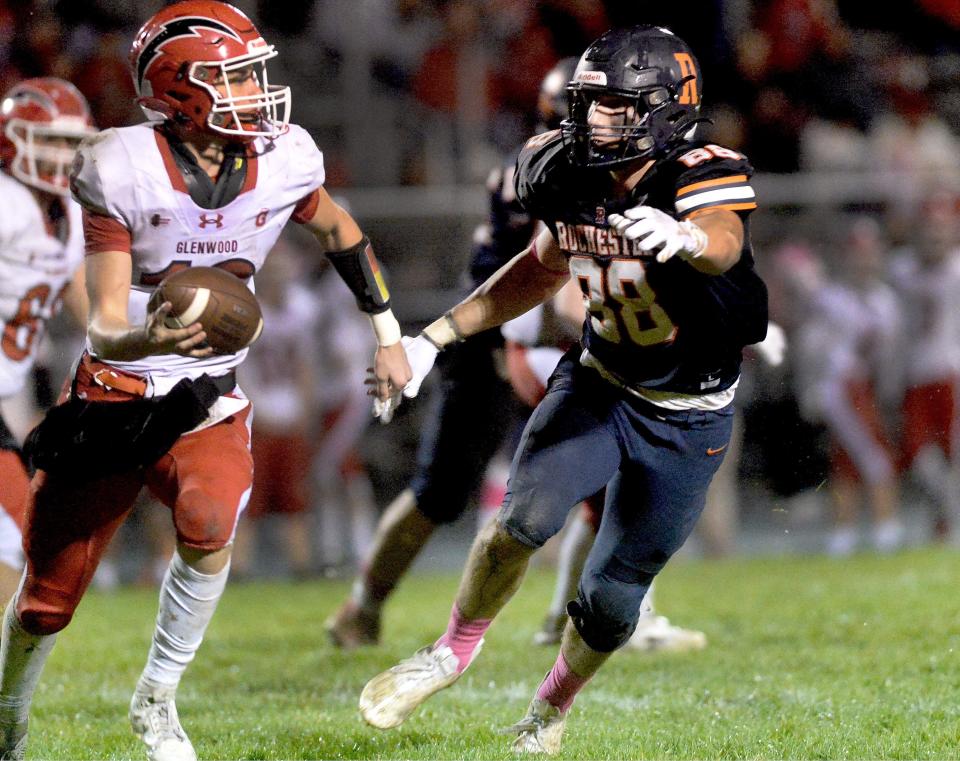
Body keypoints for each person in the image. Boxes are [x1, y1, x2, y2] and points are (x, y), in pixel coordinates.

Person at [0, 3, 411, 761]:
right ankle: (7, 719)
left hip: (206, 393)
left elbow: (344, 235)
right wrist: (143, 337)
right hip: (113, 392)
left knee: (210, 521)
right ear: (179, 91)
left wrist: (389, 334)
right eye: (234, 77)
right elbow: (102, 322)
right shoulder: (120, 164)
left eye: (254, 74)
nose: (257, 91)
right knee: (46, 603)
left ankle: (157, 697)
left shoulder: (285, 157)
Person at [359, 26, 767, 754]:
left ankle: (549, 710)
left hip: (686, 414)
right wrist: (431, 339)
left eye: (612, 105)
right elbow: (538, 267)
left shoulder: (701, 171)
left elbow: (723, 235)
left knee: (611, 602)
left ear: (666, 108)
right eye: (586, 104)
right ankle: (451, 649)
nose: (589, 121)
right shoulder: (569, 174)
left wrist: (691, 243)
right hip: (600, 383)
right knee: (522, 520)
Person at [324, 58, 576, 650]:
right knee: (440, 491)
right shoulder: (538, 174)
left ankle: (582, 616)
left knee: (611, 468)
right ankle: (363, 606)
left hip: (547, 332)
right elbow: (550, 287)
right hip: (497, 335)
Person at [0, 77, 95, 607]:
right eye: (52, 140)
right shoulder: (5, 202)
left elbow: (81, 296)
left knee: (17, 541)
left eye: (70, 142)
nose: (64, 154)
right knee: (19, 532)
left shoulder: (69, 213)